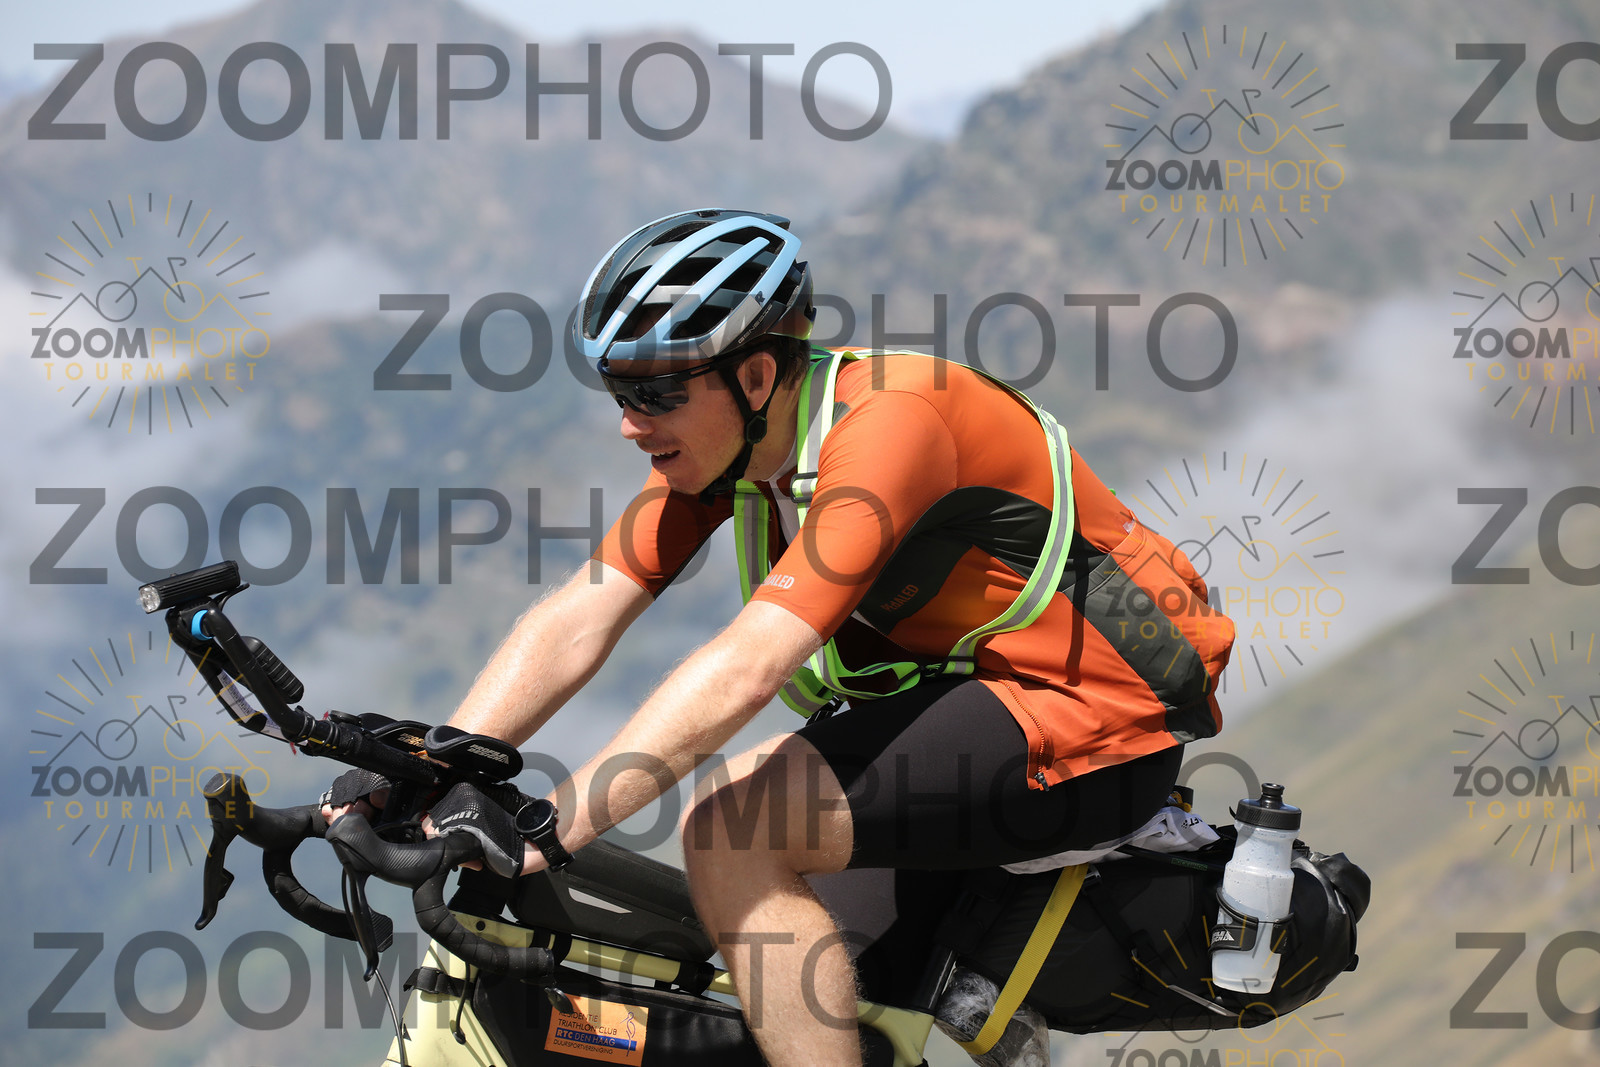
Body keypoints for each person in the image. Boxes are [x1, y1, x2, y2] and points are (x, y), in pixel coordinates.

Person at [336, 209, 1235, 1066]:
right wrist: (430, 760)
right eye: (618, 391)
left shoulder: (892, 426)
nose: (630, 422)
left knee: (735, 829)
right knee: (802, 1005)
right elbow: (583, 614)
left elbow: (748, 666)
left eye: (655, 391)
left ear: (757, 376)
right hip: (965, 711)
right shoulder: (731, 447)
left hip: (1095, 721)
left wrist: (549, 828)